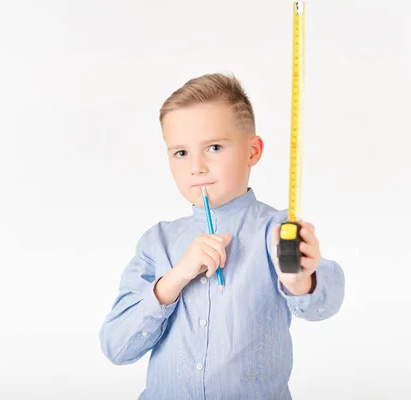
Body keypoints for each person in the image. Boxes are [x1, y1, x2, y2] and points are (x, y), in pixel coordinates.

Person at [99, 73, 345, 399]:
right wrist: (174, 279)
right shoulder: (156, 242)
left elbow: (323, 305)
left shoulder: (277, 231)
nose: (196, 167)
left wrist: (301, 282)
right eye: (181, 153)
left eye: (214, 147)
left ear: (252, 151)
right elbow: (117, 347)